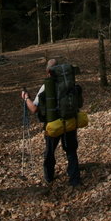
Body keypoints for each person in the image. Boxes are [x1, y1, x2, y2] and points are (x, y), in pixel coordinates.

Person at [21, 59, 81, 187]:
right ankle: (75, 179)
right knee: (71, 150)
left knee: (49, 152)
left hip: (53, 125)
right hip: (70, 121)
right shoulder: (68, 82)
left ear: (48, 72)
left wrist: (26, 98)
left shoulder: (46, 86)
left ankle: (49, 177)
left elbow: (34, 109)